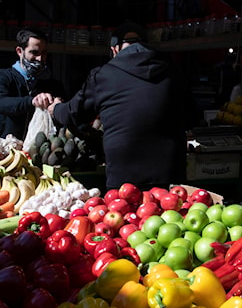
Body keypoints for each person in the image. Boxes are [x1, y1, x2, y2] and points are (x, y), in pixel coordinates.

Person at [48, 21, 191, 189]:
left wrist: (55, 108)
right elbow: (191, 117)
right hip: (170, 171)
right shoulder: (172, 71)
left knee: (129, 214)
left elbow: (73, 114)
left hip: (125, 176)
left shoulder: (103, 75)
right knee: (171, 214)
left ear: (114, 50)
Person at [0, 27, 62, 139]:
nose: (40, 58)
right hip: (5, 148)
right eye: (34, 53)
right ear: (19, 51)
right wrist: (32, 101)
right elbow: (0, 103)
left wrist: (59, 106)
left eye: (44, 53)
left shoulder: (52, 85)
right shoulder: (1, 76)